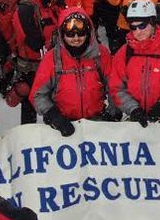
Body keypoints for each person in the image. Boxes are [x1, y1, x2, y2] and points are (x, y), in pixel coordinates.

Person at [31, 8, 114, 137]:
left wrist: (112, 113)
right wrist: (53, 115)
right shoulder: (53, 58)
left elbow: (115, 86)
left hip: (97, 124)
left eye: (80, 33)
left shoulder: (100, 55)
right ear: (62, 34)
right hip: (64, 128)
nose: (76, 38)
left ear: (89, 32)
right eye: (70, 34)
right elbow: (38, 95)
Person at [10, 0, 62, 124]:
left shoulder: (49, 5)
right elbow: (35, 43)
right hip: (31, 67)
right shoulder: (26, 10)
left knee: (54, 102)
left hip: (50, 63)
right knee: (30, 102)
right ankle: (28, 137)